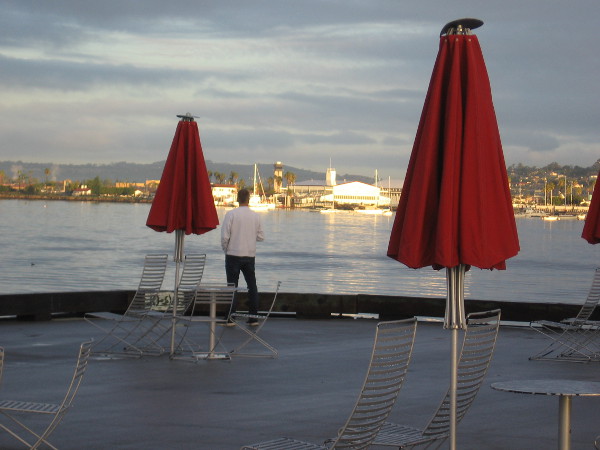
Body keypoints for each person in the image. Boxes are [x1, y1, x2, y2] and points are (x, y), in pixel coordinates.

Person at [220, 188, 264, 325]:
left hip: (233, 254)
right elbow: (261, 237)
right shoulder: (256, 216)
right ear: (249, 199)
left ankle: (231, 318)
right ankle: (253, 317)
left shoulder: (231, 214)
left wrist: (226, 250)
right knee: (252, 286)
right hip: (249, 254)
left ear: (238, 199)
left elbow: (224, 237)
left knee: (232, 286)